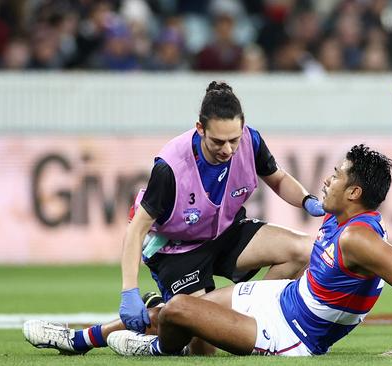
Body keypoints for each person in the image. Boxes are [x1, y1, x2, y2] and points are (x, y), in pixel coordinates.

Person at [23, 81, 326, 354]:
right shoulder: (170, 168)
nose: (228, 149)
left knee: (303, 250)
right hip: (177, 251)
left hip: (226, 233)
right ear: (200, 128)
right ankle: (88, 338)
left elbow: (278, 178)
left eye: (234, 139)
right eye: (218, 142)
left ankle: (248, 327)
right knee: (203, 347)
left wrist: (306, 199)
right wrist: (129, 291)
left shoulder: (250, 141)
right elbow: (136, 231)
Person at [105, 144, 392, 357]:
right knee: (182, 310)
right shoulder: (339, 221)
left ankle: (157, 349)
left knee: (179, 310)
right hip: (283, 298)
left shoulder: (358, 238)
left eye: (335, 177)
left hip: (288, 334)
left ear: (354, 192)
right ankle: (84, 338)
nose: (326, 181)